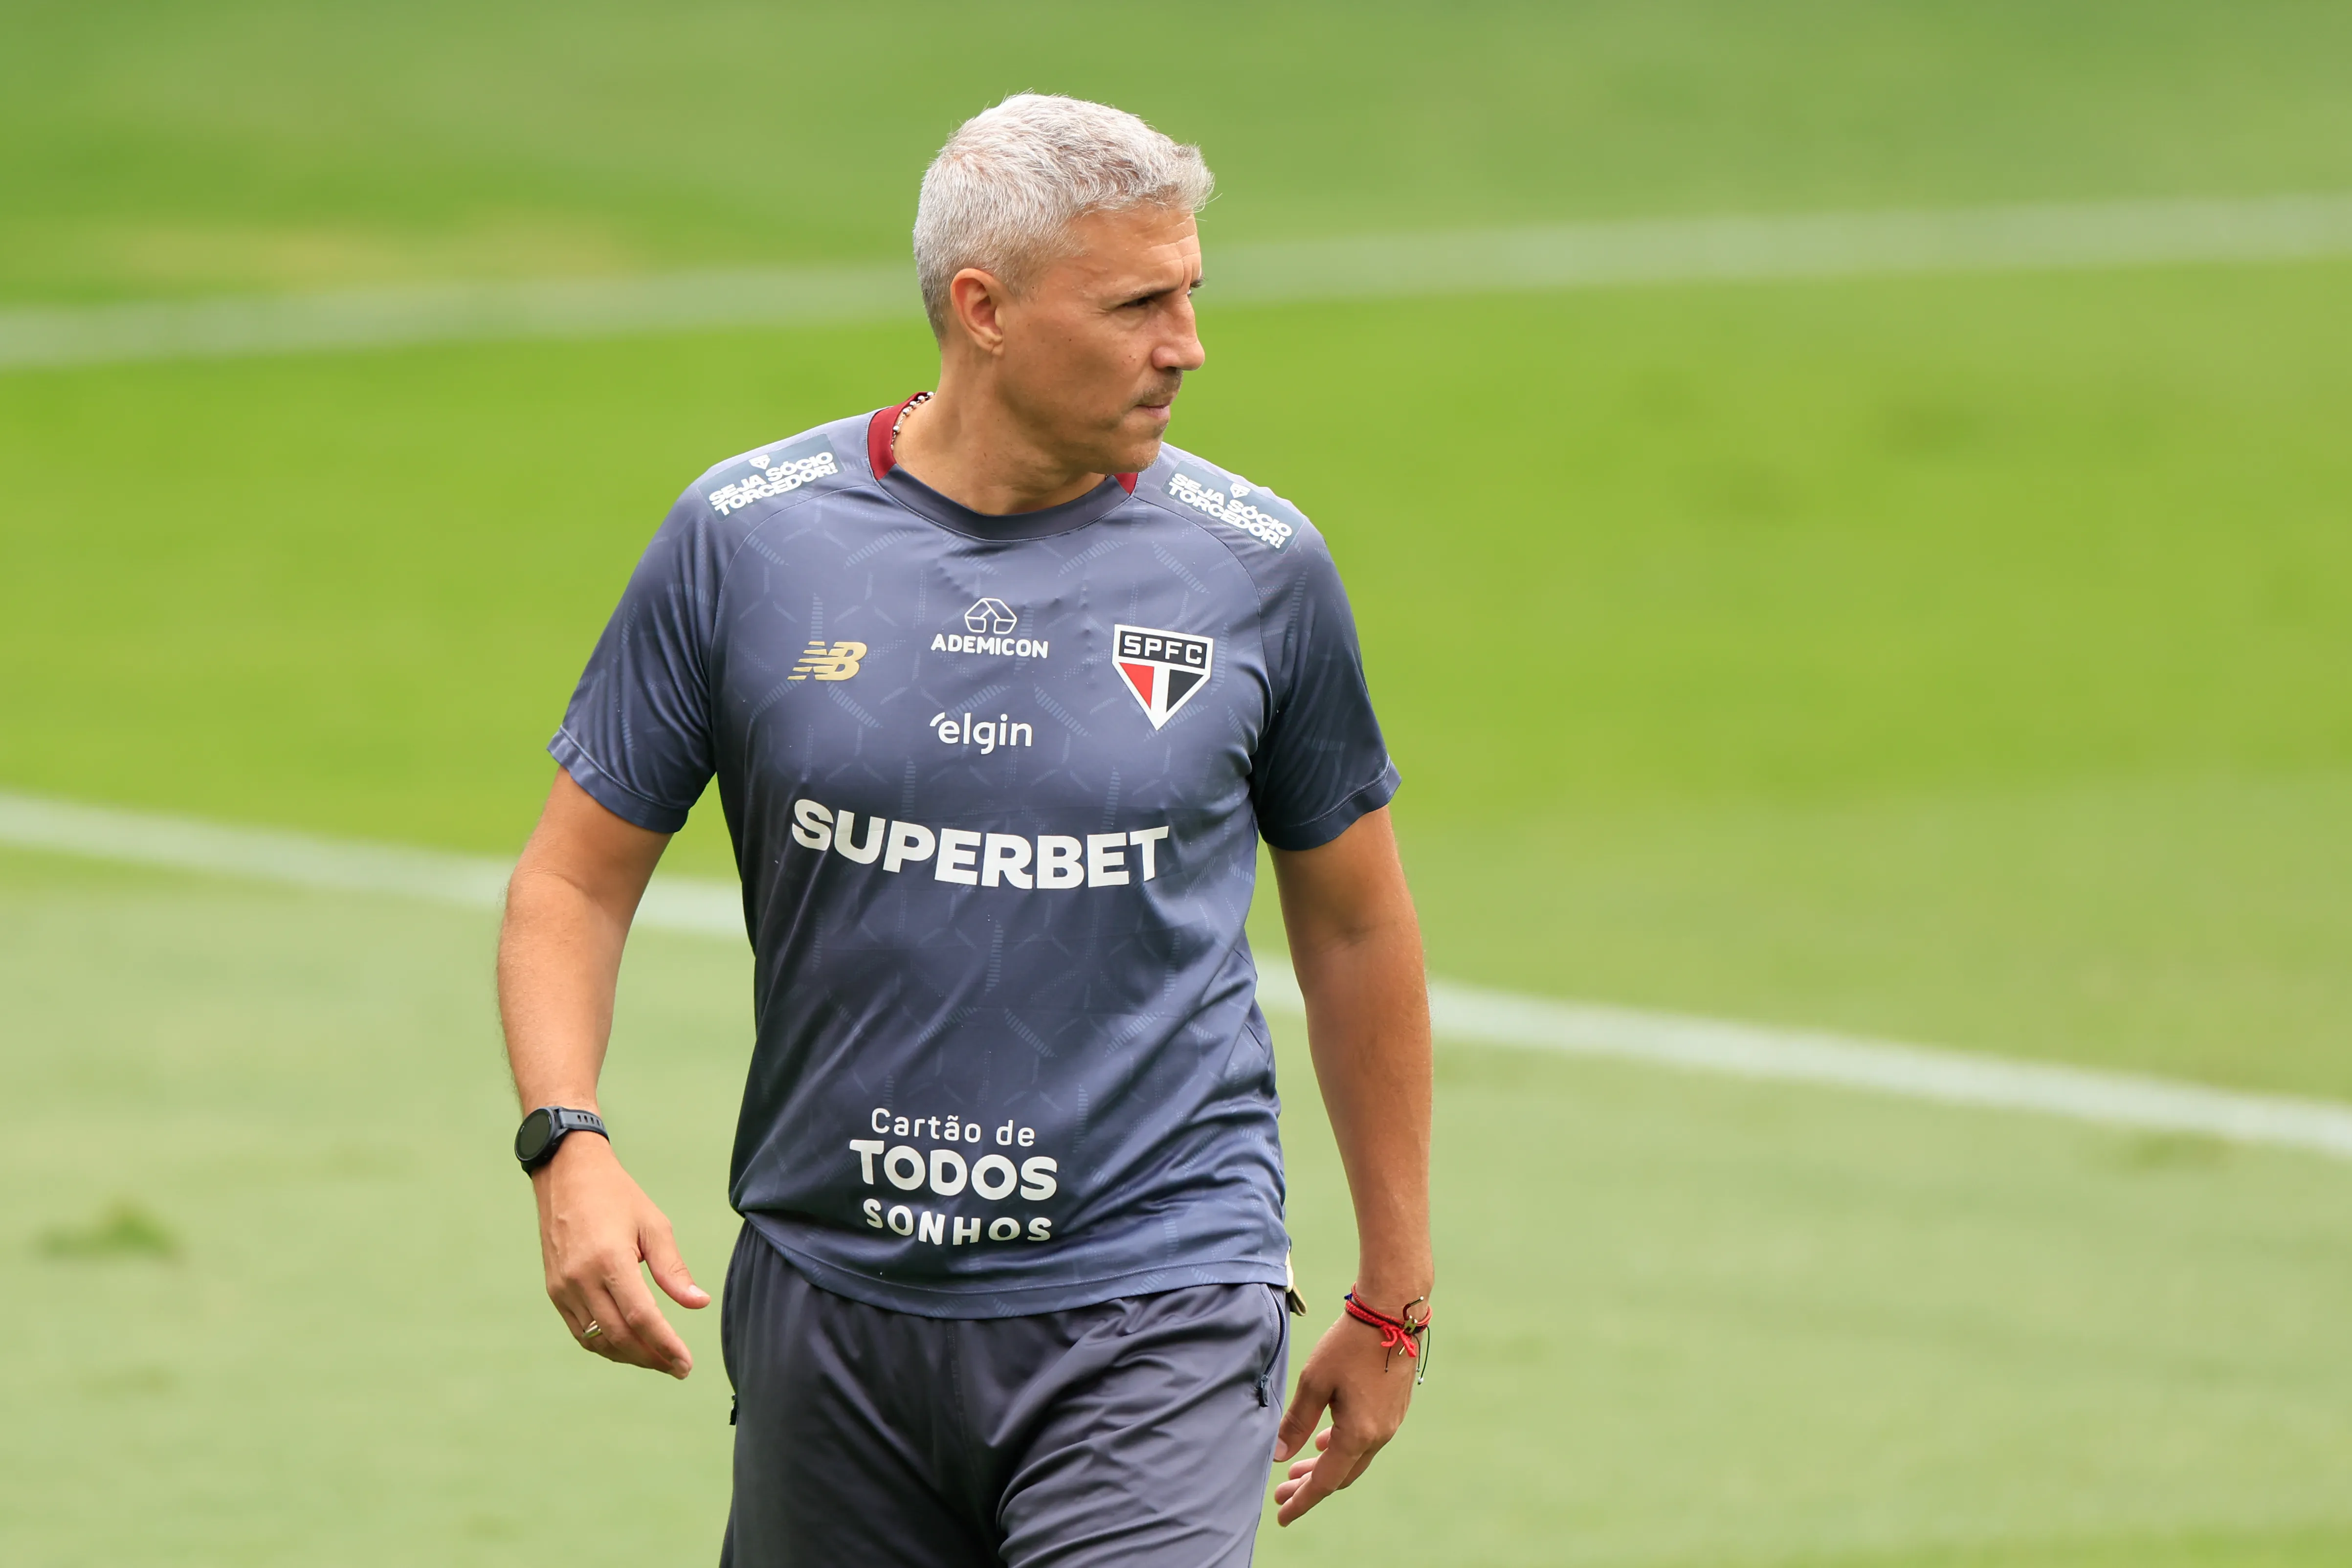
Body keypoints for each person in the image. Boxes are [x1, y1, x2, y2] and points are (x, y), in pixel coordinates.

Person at [497, 92, 1432, 1567]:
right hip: (833, 1299)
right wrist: (568, 1140)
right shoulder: (750, 540)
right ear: (983, 309)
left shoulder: (1256, 569)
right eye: (1138, 303)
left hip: (1159, 1292)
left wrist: (1395, 1286)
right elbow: (571, 876)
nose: (1187, 344)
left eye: (1192, 293)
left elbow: (1357, 919)